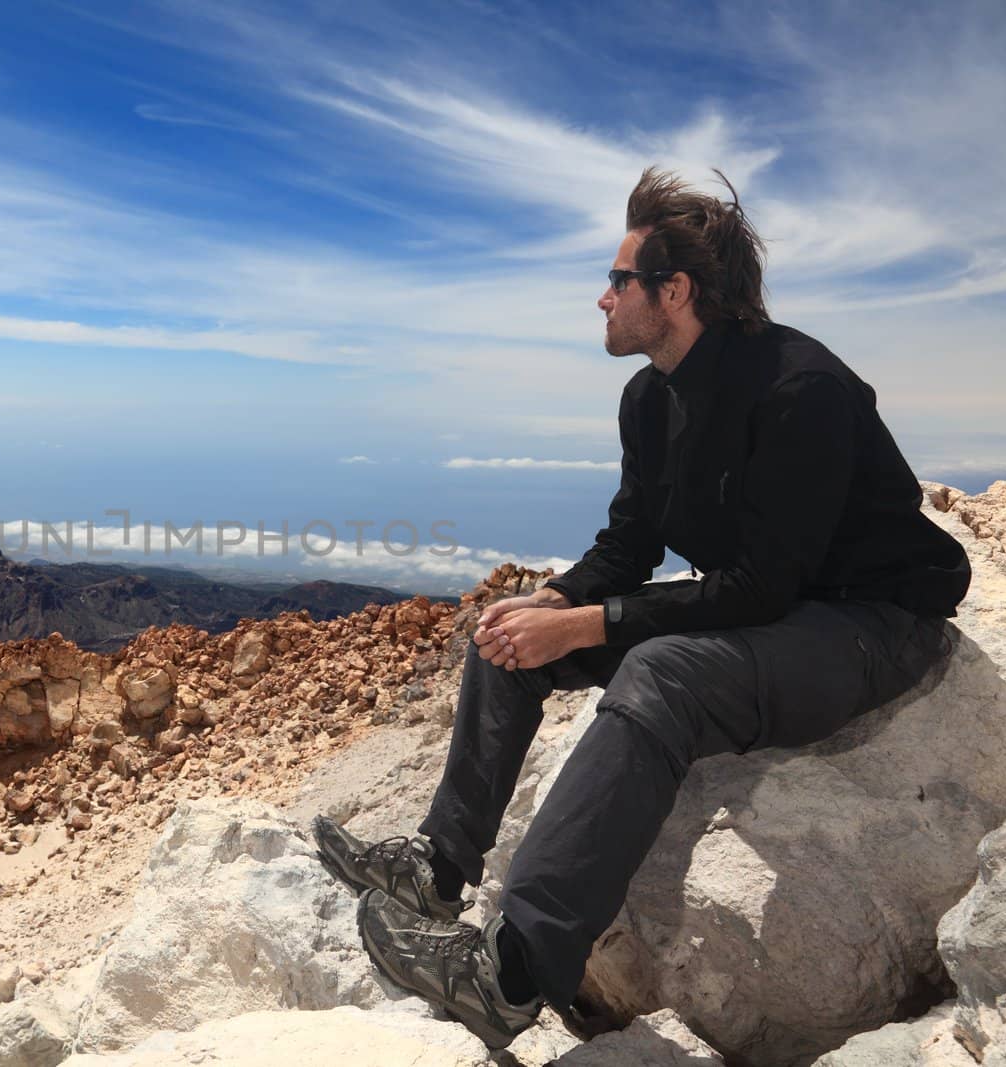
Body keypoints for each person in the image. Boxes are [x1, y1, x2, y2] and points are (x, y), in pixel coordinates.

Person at [311, 167, 972, 1048]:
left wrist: (588, 625)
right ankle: (439, 865)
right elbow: (631, 543)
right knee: (512, 628)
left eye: (617, 281)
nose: (601, 299)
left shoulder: (798, 388)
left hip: (869, 622)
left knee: (663, 675)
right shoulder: (650, 397)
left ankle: (509, 973)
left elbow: (763, 589)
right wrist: (555, 601)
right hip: (775, 607)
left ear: (675, 291)